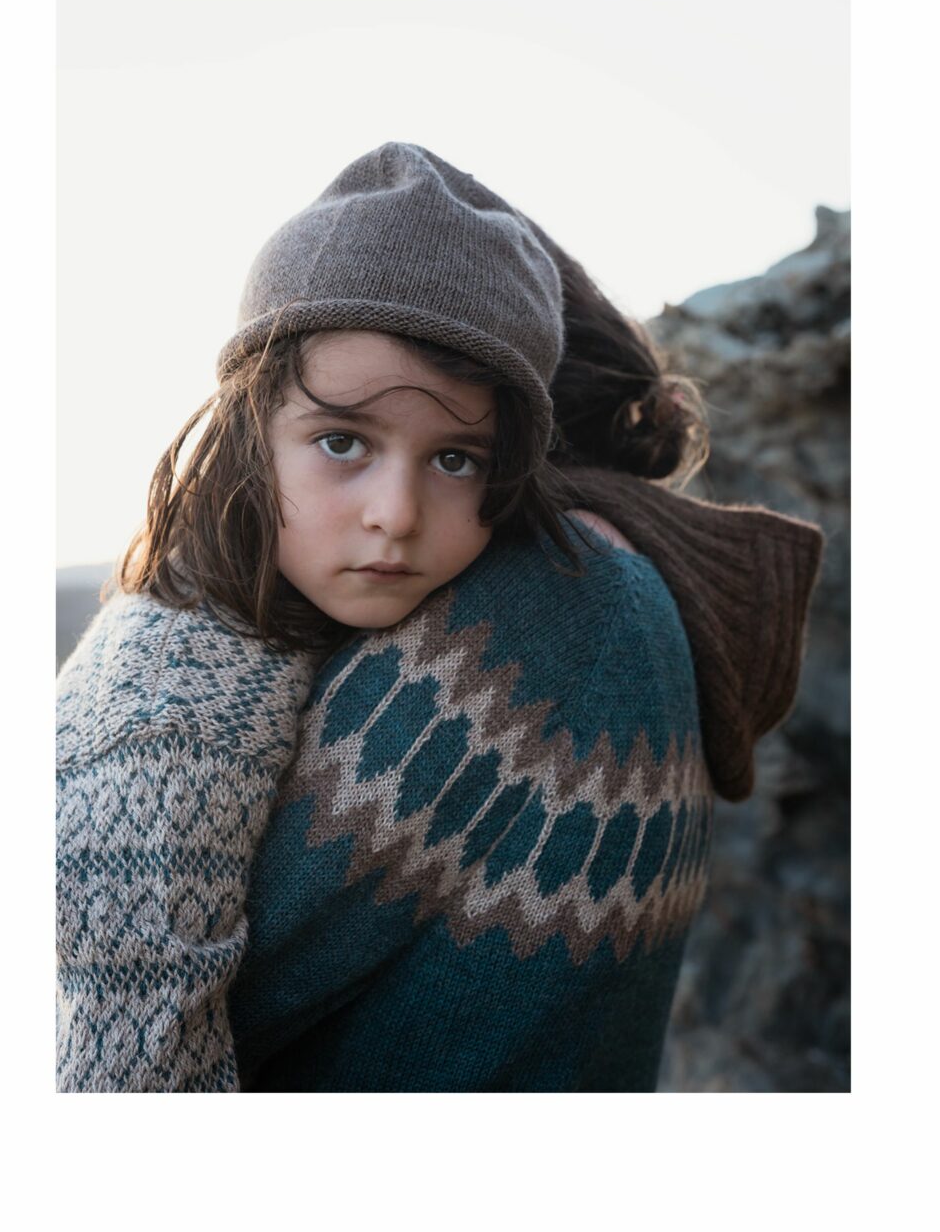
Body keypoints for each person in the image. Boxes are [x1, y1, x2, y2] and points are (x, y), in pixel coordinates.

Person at [54, 143, 823, 1092]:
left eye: (456, 459)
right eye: (343, 442)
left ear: (518, 466)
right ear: (248, 435)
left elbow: (171, 1019)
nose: (396, 513)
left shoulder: (551, 619)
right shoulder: (178, 694)